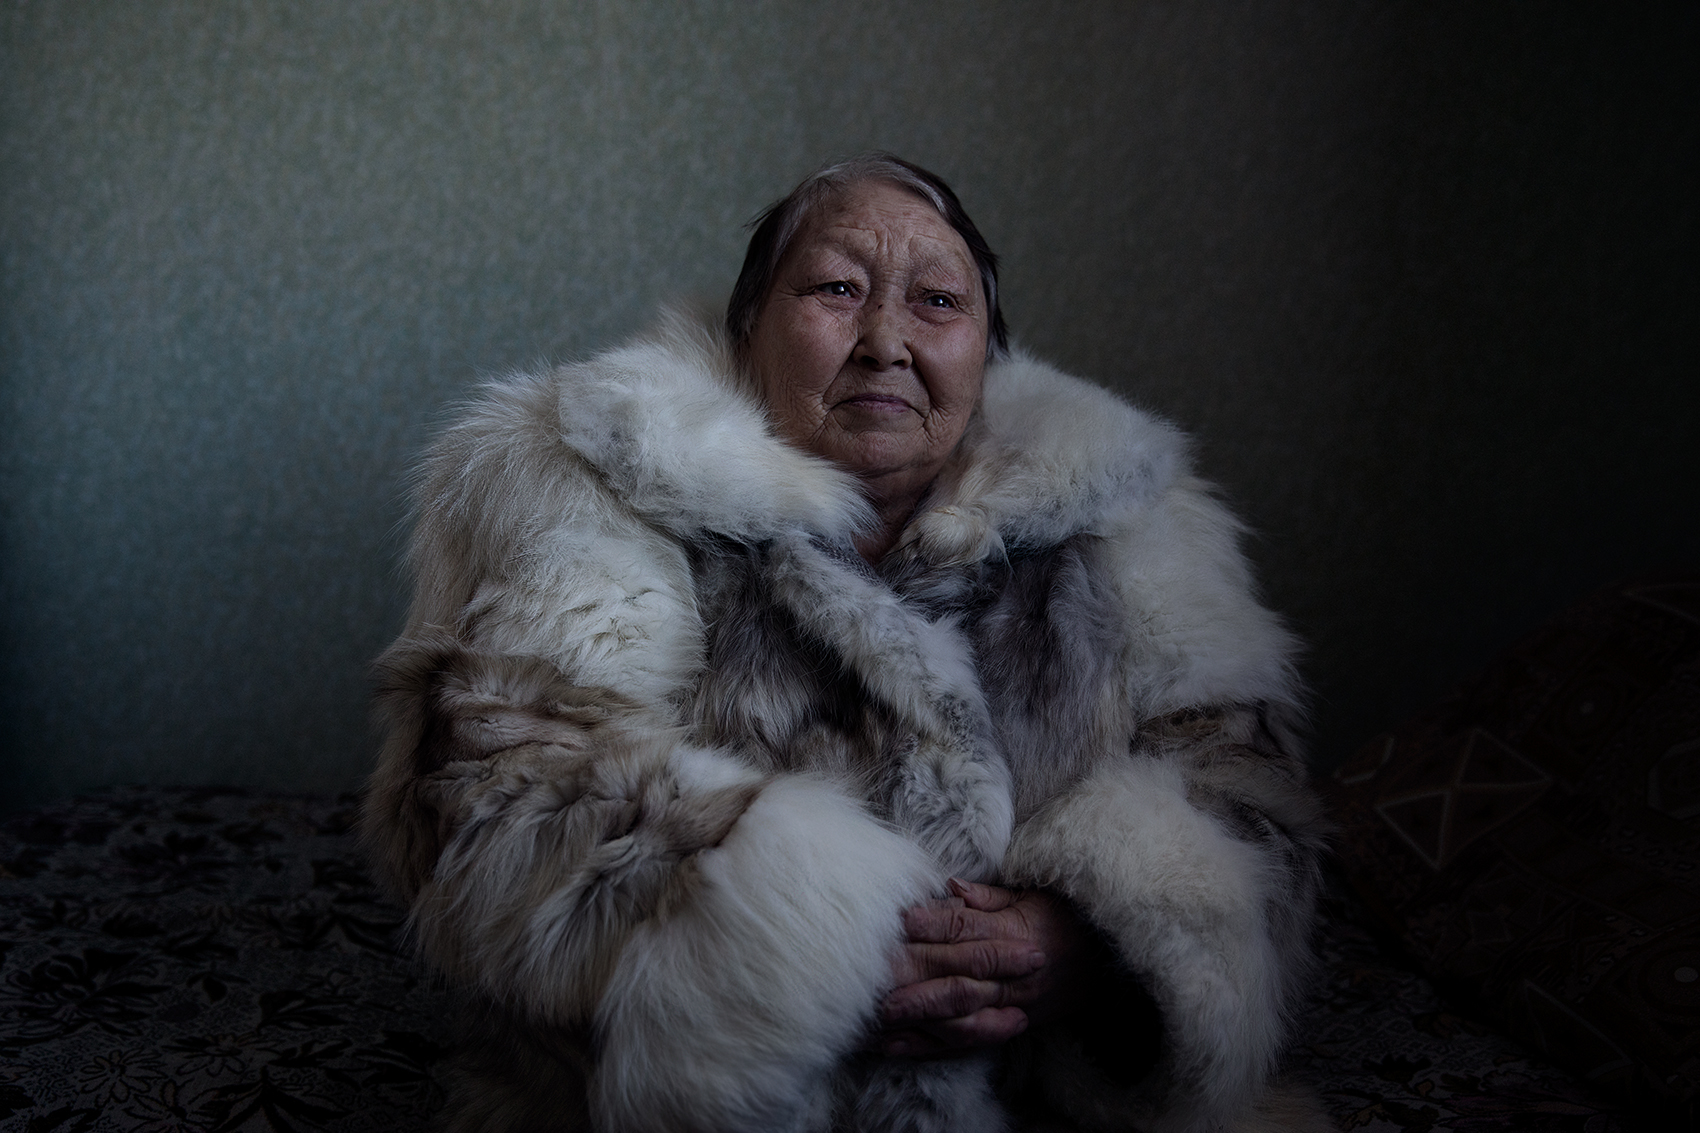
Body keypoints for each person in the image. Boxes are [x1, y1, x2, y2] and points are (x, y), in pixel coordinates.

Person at [362, 154, 1331, 1132]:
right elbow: (494, 788)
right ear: (750, 329)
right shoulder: (582, 476)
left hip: (1046, 1091)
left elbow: (1247, 792)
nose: (884, 341)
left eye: (937, 300)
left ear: (988, 350)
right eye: (835, 288)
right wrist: (798, 946)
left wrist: (1093, 936)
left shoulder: (1131, 519)